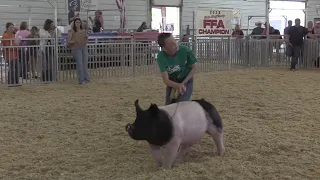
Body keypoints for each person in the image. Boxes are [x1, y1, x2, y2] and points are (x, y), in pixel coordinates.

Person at [156, 33, 197, 105]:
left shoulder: (185, 50)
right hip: (173, 80)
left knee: (182, 103)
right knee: (168, 105)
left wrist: (183, 83)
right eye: (172, 44)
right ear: (164, 48)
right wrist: (177, 86)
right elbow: (166, 80)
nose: (176, 44)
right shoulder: (161, 57)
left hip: (186, 79)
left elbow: (194, 67)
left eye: (175, 40)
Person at [67, 18, 89, 85]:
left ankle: (86, 79)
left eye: (79, 22)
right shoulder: (71, 31)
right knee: (79, 64)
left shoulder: (83, 30)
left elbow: (86, 39)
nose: (78, 24)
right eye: (76, 22)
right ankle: (81, 80)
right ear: (74, 23)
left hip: (83, 47)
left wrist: (86, 37)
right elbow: (69, 41)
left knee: (84, 63)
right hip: (76, 48)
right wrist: (74, 41)